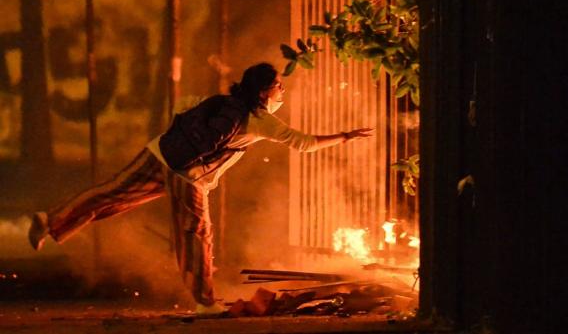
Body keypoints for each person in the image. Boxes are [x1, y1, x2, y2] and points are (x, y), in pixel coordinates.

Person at [27, 62, 371, 316]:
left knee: (110, 192)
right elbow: (304, 143)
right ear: (265, 91)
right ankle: (203, 302)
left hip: (160, 152)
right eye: (279, 86)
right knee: (196, 233)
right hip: (189, 176)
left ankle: (50, 220)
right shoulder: (261, 120)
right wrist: (344, 136)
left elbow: (182, 106)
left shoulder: (223, 102)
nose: (283, 91)